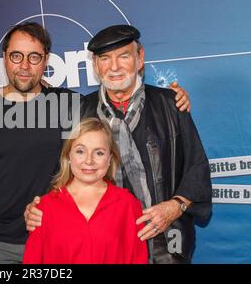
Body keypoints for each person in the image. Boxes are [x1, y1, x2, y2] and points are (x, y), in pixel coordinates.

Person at [0, 22, 190, 264]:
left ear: (46, 60)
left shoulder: (72, 105)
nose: (24, 66)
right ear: (5, 57)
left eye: (34, 57)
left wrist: (172, 101)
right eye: (16, 56)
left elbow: (115, 121)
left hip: (61, 238)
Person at [25, 25, 212, 264]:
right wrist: (38, 206)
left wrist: (175, 207)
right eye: (105, 58)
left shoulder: (171, 104)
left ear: (140, 58)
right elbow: (62, 173)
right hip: (106, 246)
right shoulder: (79, 112)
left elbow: (197, 168)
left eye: (124, 56)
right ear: (95, 65)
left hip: (166, 242)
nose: (114, 67)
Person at [22, 118, 148, 264]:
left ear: (109, 159)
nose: (89, 160)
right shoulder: (44, 207)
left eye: (99, 153)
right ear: (68, 156)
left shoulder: (128, 205)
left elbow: (138, 259)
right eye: (80, 151)